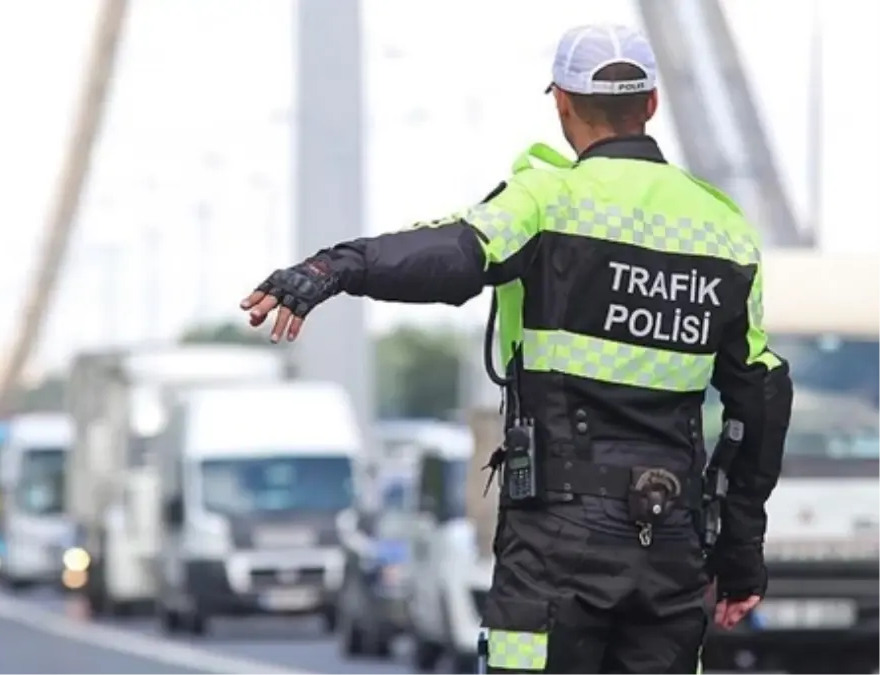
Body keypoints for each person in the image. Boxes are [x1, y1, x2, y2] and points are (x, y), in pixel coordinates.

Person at [240, 23, 792, 675]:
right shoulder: (723, 230)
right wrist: (738, 554)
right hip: (669, 540)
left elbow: (448, 255)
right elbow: (759, 398)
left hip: (557, 543)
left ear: (561, 102)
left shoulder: (545, 200)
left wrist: (334, 268)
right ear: (650, 104)